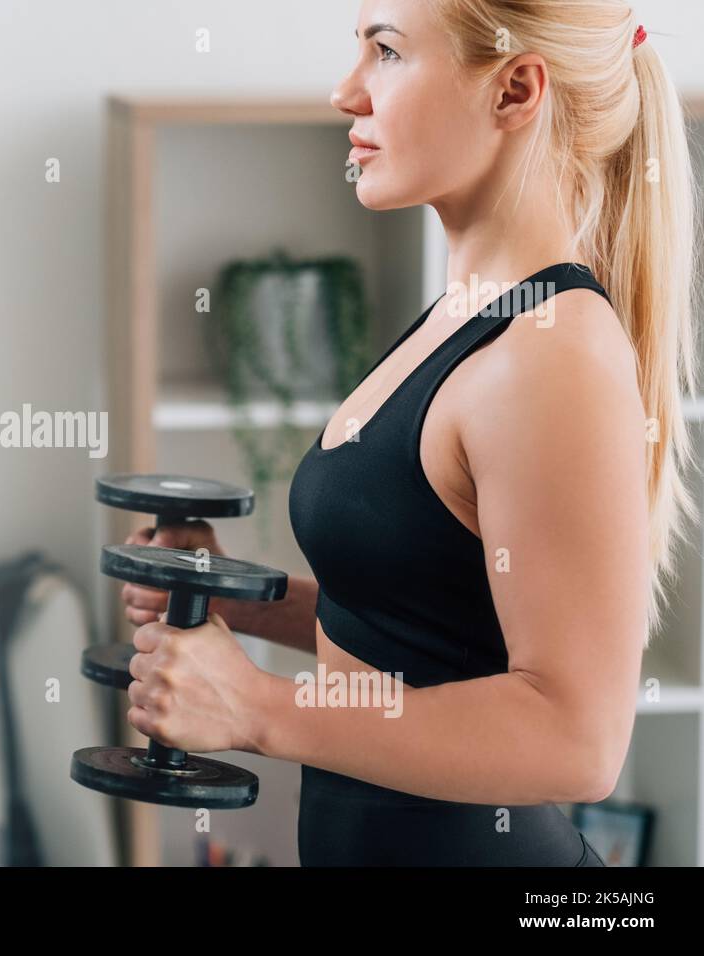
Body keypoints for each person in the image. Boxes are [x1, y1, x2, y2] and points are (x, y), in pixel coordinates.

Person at [119, 0, 697, 865]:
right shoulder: (463, 316)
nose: (346, 93)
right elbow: (421, 636)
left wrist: (260, 710)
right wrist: (247, 602)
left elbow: (578, 740)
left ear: (514, 89)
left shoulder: (552, 356)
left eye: (386, 51)